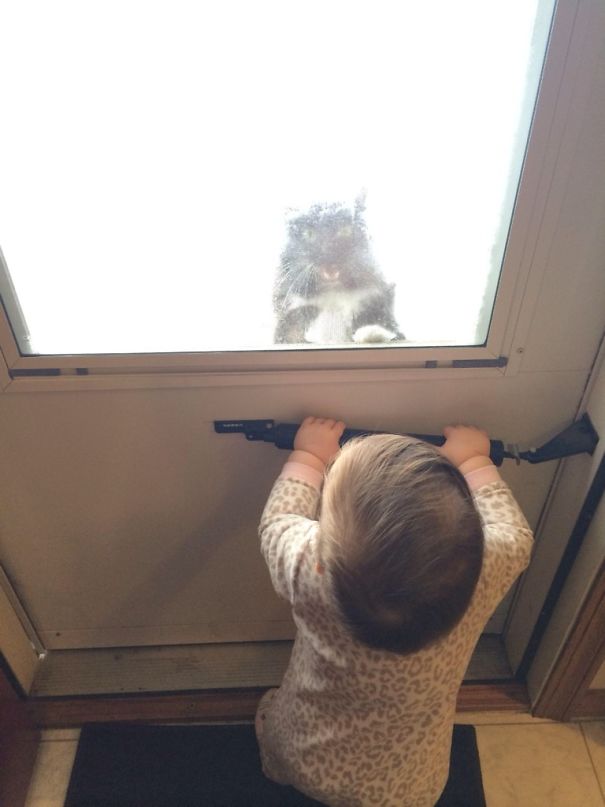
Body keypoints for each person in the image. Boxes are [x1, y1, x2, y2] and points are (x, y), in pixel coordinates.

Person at [255, 416, 533, 807]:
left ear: (320, 557)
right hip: (405, 783)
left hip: (304, 753)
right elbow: (516, 534)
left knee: (275, 734)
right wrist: (473, 460)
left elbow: (277, 522)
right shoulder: (483, 573)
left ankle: (274, 771)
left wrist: (310, 455)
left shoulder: (307, 568)